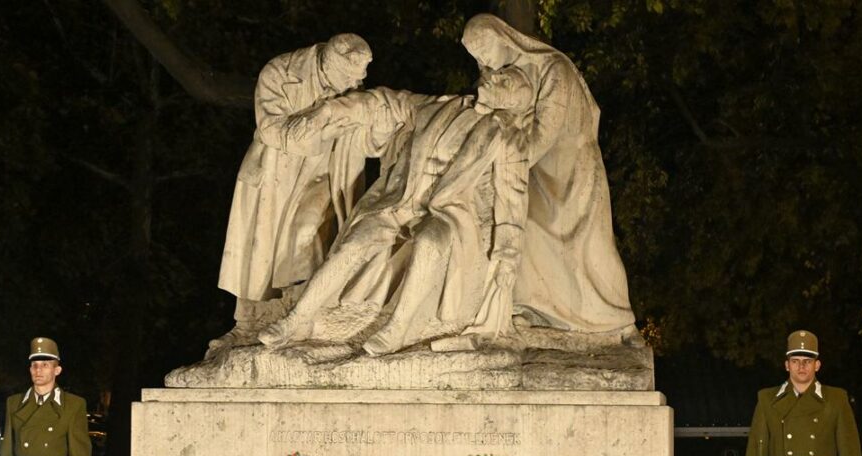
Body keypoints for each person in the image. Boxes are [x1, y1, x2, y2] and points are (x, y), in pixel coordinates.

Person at [257, 64, 536, 355]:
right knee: (356, 242)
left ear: (513, 101)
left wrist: (508, 255)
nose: (492, 76)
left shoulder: (509, 138)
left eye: (505, 81)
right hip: (399, 202)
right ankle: (298, 319)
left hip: (446, 212)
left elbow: (512, 200)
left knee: (430, 242)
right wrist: (330, 112)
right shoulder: (436, 106)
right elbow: (381, 102)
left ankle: (399, 327)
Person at [460, 14, 634, 334]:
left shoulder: (555, 69)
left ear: (503, 37)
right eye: (475, 55)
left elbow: (546, 130)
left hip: (573, 169)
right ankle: (538, 308)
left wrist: (501, 162)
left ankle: (620, 321)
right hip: (537, 171)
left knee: (593, 247)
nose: (482, 59)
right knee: (526, 230)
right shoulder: (511, 76)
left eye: (483, 49)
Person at [216, 34, 372, 344]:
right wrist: (321, 121)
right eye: (352, 77)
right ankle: (251, 324)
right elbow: (271, 128)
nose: (356, 84)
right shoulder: (279, 72)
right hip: (278, 170)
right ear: (332, 63)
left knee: (308, 233)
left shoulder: (350, 87)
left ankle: (302, 315)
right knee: (262, 252)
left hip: (324, 171)